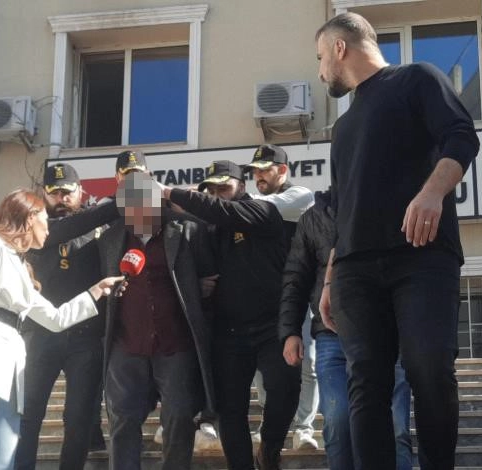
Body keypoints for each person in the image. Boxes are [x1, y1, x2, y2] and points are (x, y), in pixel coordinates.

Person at [315, 12, 479, 469]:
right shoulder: (343, 128)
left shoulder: (416, 78)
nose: (320, 71)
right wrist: (329, 278)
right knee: (366, 382)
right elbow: (342, 208)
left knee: (429, 369)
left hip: (421, 255)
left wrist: (432, 193)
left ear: (340, 48)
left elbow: (461, 136)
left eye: (320, 57)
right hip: (354, 270)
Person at [0, 189, 125, 470]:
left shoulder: (21, 265)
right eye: (45, 221)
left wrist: (96, 290)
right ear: (29, 219)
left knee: (1, 462)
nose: (49, 229)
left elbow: (55, 318)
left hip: (10, 368)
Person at [159, 161, 301, 470]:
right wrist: (196, 284)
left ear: (242, 186)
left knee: (285, 389)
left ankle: (270, 448)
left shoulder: (262, 210)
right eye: (210, 190)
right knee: (230, 411)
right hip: (228, 332)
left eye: (223, 187)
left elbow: (223, 210)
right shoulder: (206, 227)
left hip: (272, 326)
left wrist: (171, 191)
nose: (216, 195)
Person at [280, 190, 412, 470]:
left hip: (388, 336)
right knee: (338, 422)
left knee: (396, 425)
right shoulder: (313, 218)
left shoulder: (393, 203)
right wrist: (290, 330)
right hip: (332, 336)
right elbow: (296, 278)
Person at [99, 171, 217, 470]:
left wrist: (198, 288)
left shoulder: (188, 230)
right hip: (126, 344)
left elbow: (209, 276)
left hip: (175, 343)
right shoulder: (111, 238)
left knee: (179, 416)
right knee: (122, 420)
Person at [15, 161, 110, 470]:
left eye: (68, 192)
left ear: (80, 191)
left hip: (85, 336)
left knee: (79, 416)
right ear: (44, 194)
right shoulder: (35, 228)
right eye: (54, 192)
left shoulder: (98, 227)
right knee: (29, 413)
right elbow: (65, 229)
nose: (62, 198)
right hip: (41, 333)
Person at [246, 144, 318, 451]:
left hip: (300, 295)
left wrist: (226, 197)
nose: (259, 176)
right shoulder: (253, 202)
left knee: (307, 362)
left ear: (283, 170)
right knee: (265, 367)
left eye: (265, 170)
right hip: (265, 298)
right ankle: (269, 424)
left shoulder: (299, 195)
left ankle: (304, 428)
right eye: (255, 171)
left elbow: (266, 206)